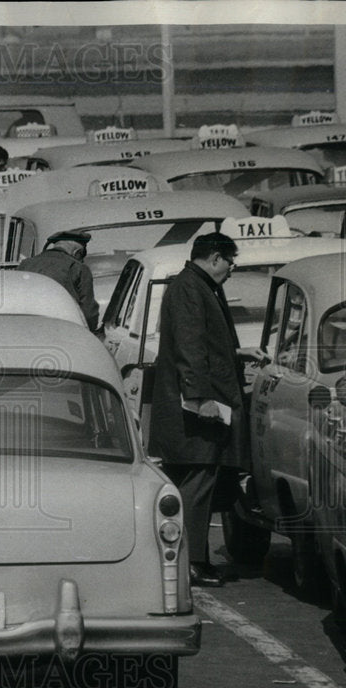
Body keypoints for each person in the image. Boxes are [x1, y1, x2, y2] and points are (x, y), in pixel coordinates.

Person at [147, 232, 270, 588]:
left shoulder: (195, 286)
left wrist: (237, 353)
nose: (232, 269)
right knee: (197, 484)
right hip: (196, 407)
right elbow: (189, 348)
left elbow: (202, 344)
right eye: (231, 261)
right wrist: (200, 400)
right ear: (215, 257)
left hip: (199, 401)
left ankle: (190, 559)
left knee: (199, 483)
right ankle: (190, 561)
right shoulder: (190, 288)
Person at [17, 231, 99, 331]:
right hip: (62, 331)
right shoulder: (78, 268)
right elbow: (89, 313)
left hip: (27, 330)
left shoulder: (25, 264)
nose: (82, 261)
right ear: (77, 253)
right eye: (82, 257)